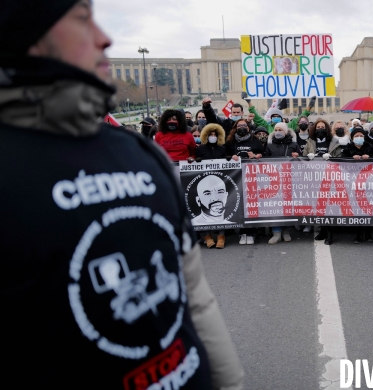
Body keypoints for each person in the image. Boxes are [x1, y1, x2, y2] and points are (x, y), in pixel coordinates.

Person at [0, 0, 243, 387]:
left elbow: (195, 299)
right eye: (82, 19)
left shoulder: (143, 154)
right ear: (24, 37)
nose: (104, 38)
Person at [226, 118, 263, 245]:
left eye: (244, 125)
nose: (242, 127)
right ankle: (242, 233)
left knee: (251, 205)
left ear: (248, 128)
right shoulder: (230, 142)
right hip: (236, 178)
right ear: (235, 128)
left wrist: (256, 156)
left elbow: (263, 154)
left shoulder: (255, 140)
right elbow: (224, 155)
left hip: (252, 177)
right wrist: (231, 157)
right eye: (239, 125)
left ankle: (251, 232)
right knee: (240, 204)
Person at [264, 122, 301, 244]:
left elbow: (301, 159)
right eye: (276, 129)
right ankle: (276, 232)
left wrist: (297, 156)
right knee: (275, 206)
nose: (278, 131)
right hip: (273, 180)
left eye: (280, 129)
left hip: (289, 179)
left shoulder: (293, 144)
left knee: (287, 206)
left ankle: (286, 231)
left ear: (285, 132)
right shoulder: (269, 145)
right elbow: (265, 160)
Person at [342, 127, 373, 243]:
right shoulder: (348, 148)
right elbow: (341, 162)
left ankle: (368, 234)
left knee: (368, 207)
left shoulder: (369, 147)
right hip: (353, 183)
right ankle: (358, 235)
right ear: (352, 138)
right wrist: (351, 158)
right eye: (357, 136)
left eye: (361, 136)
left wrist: (369, 157)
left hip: (368, 182)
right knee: (357, 209)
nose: (359, 138)